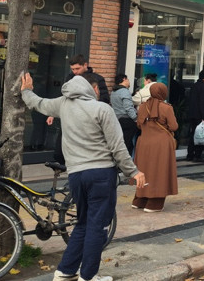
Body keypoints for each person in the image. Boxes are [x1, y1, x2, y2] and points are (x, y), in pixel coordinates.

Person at [20, 72, 145, 281]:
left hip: (76, 175)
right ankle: (88, 276)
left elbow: (38, 104)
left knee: (83, 222)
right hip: (101, 175)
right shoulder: (102, 109)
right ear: (93, 88)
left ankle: (65, 272)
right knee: (98, 227)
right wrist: (133, 171)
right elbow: (117, 147)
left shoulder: (63, 104)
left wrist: (26, 90)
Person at [48, 54, 111, 165]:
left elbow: (104, 99)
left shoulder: (98, 79)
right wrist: (52, 113)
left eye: (77, 68)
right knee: (61, 148)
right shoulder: (70, 78)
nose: (75, 72)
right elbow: (62, 97)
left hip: (88, 118)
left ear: (85, 65)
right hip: (71, 116)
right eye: (73, 69)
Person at [132, 83, 179, 212]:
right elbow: (174, 126)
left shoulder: (142, 106)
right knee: (159, 172)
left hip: (144, 143)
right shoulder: (166, 108)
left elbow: (139, 125)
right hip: (161, 145)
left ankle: (139, 200)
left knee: (145, 170)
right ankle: (154, 202)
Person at [186, 70, 204, 163]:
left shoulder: (195, 85)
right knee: (201, 135)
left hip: (193, 115)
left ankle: (190, 154)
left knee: (193, 135)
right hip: (200, 116)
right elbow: (203, 102)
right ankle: (197, 155)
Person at [110, 73, 138, 156]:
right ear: (124, 79)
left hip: (117, 120)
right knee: (129, 145)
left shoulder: (114, 92)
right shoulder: (125, 91)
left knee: (122, 144)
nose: (129, 82)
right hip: (127, 121)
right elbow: (128, 108)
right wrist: (136, 119)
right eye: (128, 80)